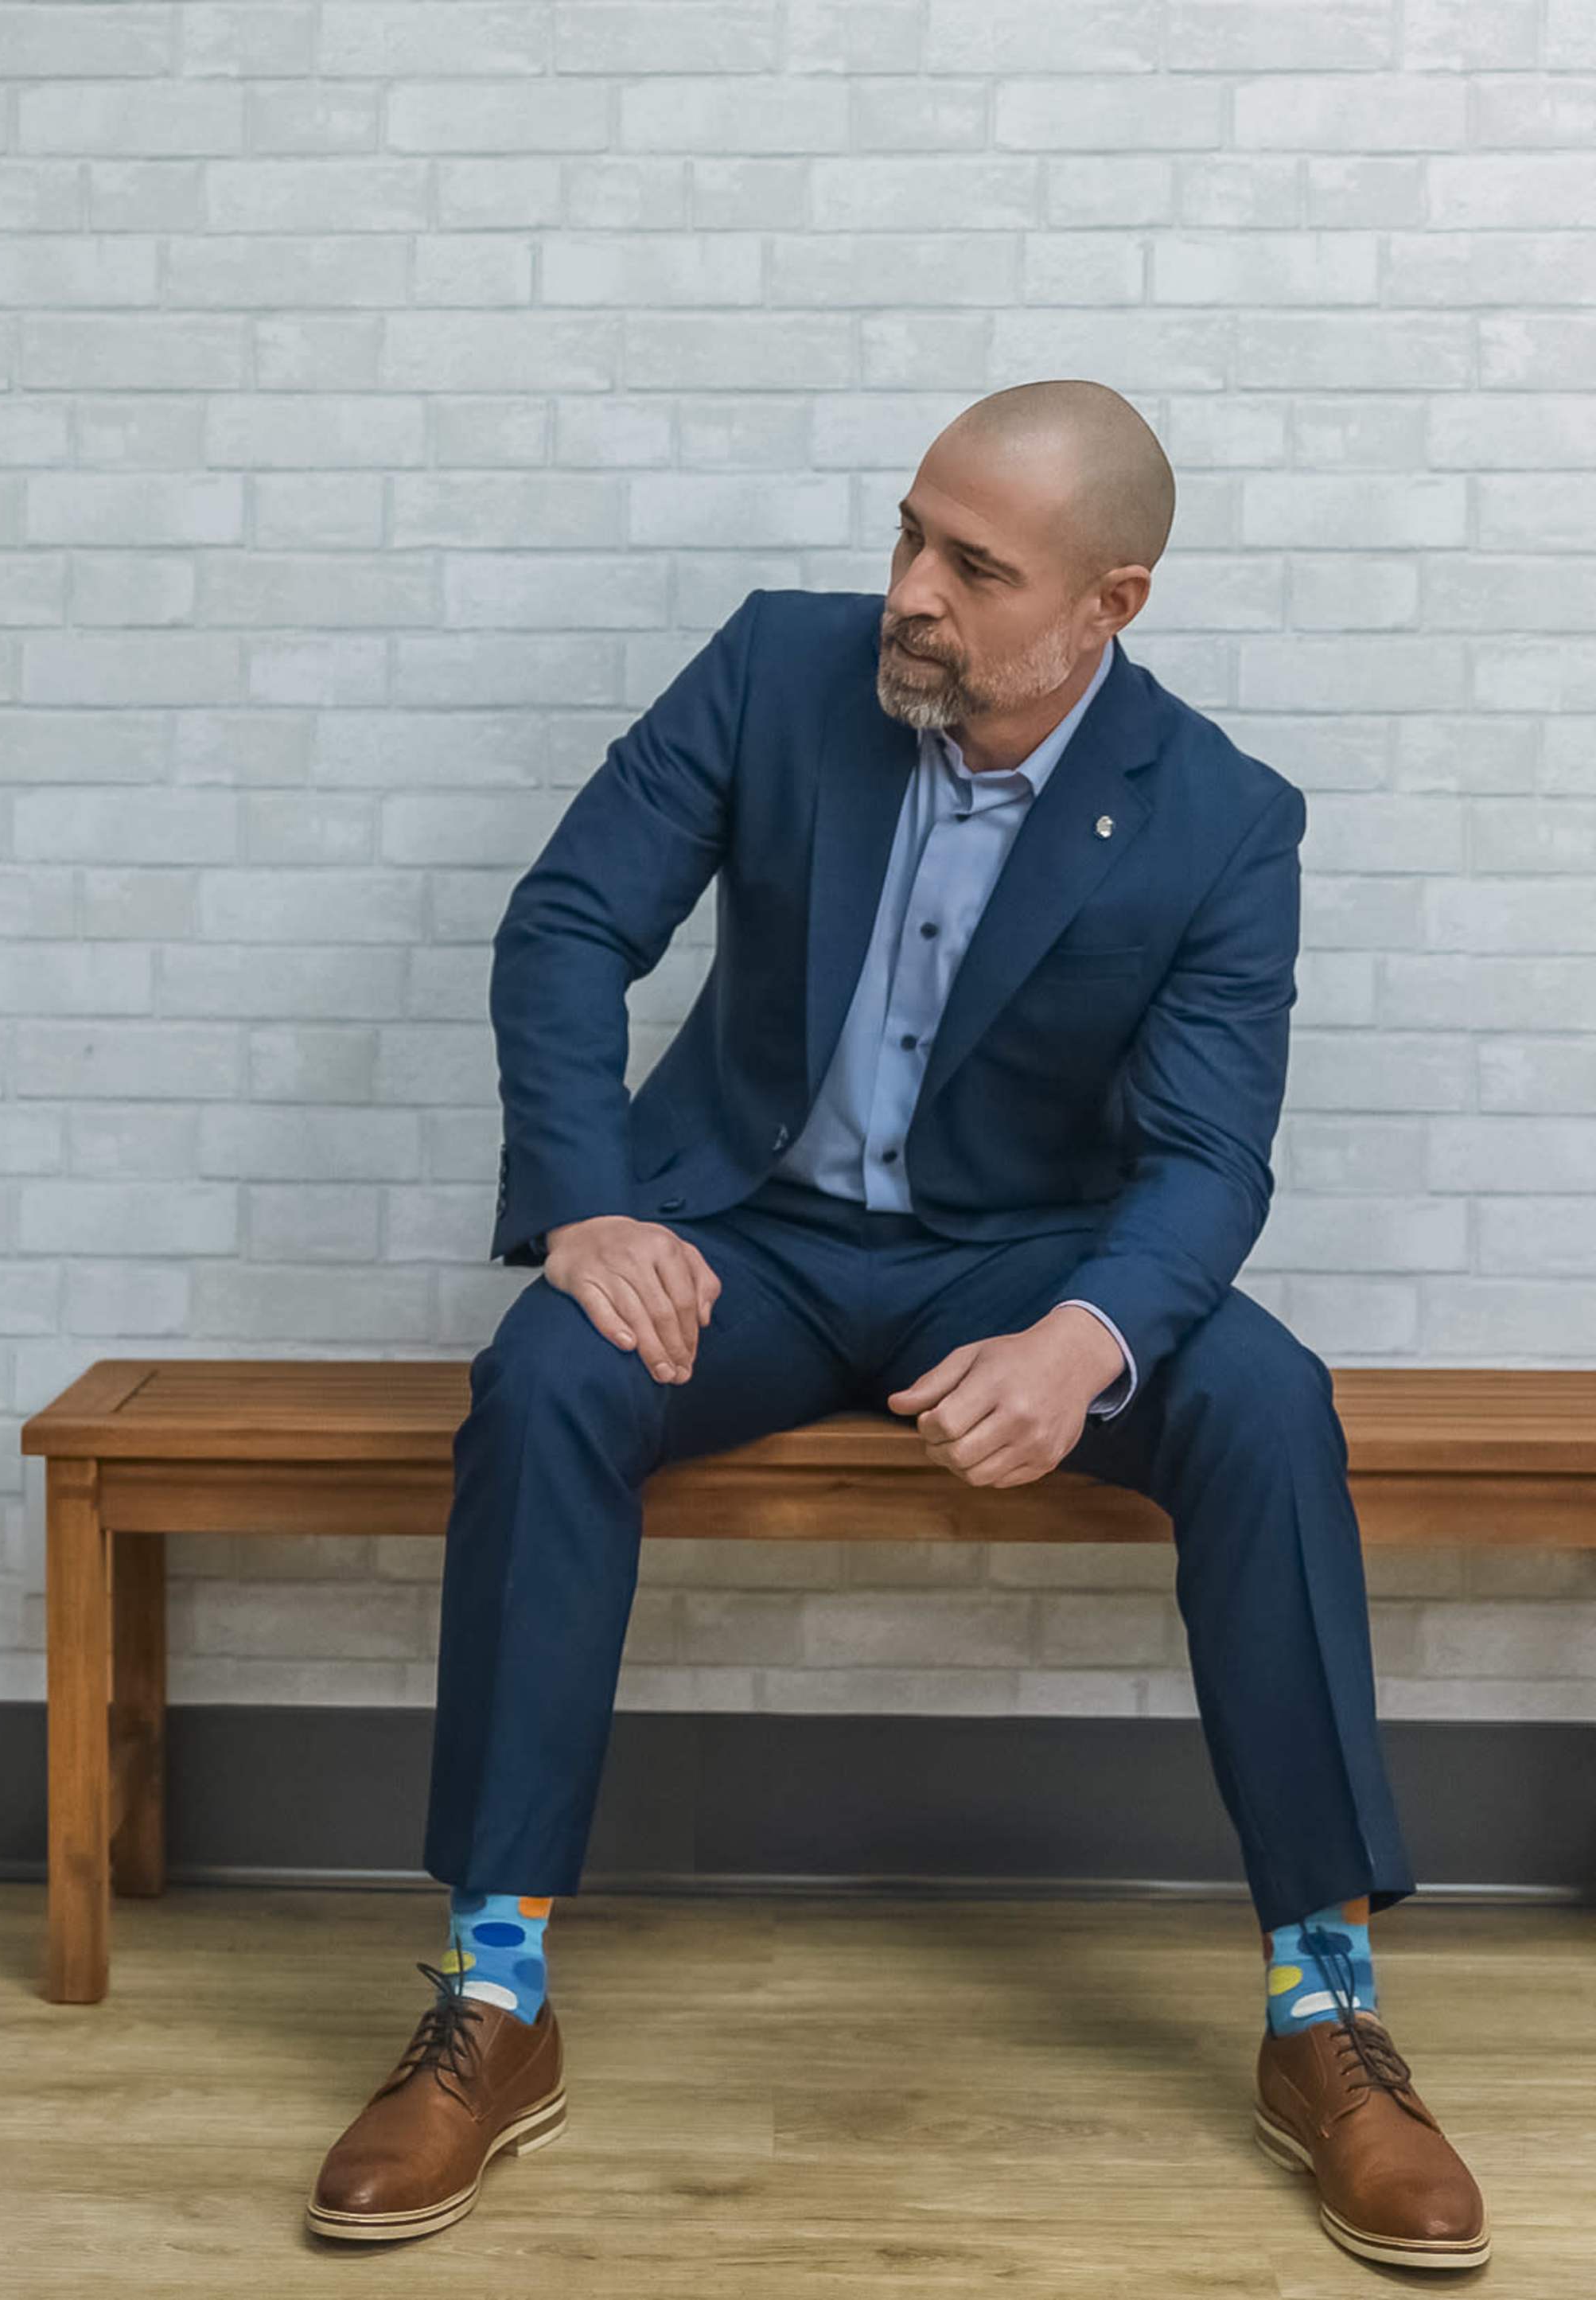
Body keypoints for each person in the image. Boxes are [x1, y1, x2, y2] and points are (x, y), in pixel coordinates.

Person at [305, 382, 1486, 2275]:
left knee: (1266, 1398)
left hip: (1017, 1264)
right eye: (908, 536)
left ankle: (1322, 2009)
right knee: (544, 1374)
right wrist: (595, 1205)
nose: (910, 592)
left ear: (1114, 600)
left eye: (972, 564)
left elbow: (1204, 1156)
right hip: (747, 1241)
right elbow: (565, 926)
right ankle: (498, 1987)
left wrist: (1086, 1336)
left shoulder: (1222, 818)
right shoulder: (781, 672)